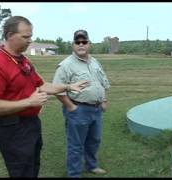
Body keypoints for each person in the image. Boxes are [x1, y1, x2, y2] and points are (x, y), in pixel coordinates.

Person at [0, 16, 87, 178]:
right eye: (25, 37)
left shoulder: (23, 61)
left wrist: (67, 86)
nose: (30, 40)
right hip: (13, 129)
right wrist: (29, 102)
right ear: (10, 36)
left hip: (31, 124)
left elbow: (42, 85)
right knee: (21, 172)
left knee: (32, 167)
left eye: (31, 36)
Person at [52, 29, 110, 177]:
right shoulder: (66, 65)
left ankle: (92, 166)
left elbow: (103, 82)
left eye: (84, 41)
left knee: (94, 140)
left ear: (89, 43)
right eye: (78, 42)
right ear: (73, 44)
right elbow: (57, 89)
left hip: (96, 110)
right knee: (76, 145)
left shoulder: (95, 62)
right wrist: (71, 107)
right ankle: (74, 174)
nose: (81, 44)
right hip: (78, 110)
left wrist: (104, 100)